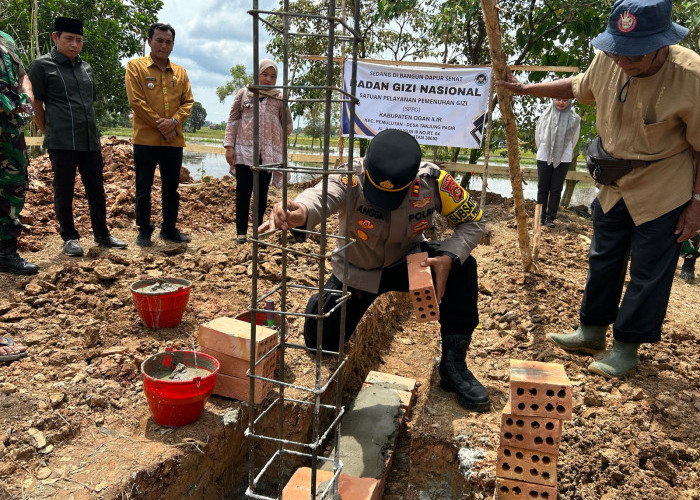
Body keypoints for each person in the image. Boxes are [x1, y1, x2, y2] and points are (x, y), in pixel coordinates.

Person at [497, 0, 700, 378]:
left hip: (663, 187)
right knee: (603, 258)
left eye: (633, 55)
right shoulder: (611, 57)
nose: (622, 61)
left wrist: (697, 204)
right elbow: (577, 87)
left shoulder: (691, 76)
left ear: (660, 44)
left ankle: (626, 347)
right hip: (612, 182)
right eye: (616, 51)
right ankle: (591, 331)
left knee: (649, 270)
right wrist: (524, 88)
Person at [261, 129, 491, 411]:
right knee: (321, 343)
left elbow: (474, 221)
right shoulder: (351, 176)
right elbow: (321, 196)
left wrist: (449, 257)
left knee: (463, 266)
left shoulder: (435, 182)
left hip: (408, 263)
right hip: (358, 272)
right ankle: (320, 305)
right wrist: (301, 211)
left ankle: (454, 365)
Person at [28, 17, 127, 257]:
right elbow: (35, 104)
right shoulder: (42, 66)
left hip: (89, 140)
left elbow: (89, 104)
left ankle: (102, 234)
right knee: (64, 190)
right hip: (61, 142)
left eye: (79, 40)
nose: (75, 44)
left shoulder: (86, 68)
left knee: (97, 189)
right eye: (69, 39)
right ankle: (69, 237)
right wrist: (48, 131)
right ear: (55, 37)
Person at [125, 22, 194, 247]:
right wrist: (161, 124)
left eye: (168, 42)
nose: (164, 45)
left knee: (171, 188)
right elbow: (136, 102)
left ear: (173, 45)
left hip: (174, 140)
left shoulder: (181, 73)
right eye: (159, 40)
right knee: (143, 187)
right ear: (149, 42)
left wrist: (173, 121)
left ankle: (169, 229)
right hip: (145, 139)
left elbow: (188, 102)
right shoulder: (135, 67)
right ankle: (144, 230)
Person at [224, 59, 293, 243]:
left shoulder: (278, 97)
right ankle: (241, 233)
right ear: (257, 73)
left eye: (273, 76)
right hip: (244, 153)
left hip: (268, 155)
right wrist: (229, 146)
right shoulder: (245, 94)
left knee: (261, 194)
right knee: (243, 192)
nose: (269, 79)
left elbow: (287, 125)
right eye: (265, 74)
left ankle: (257, 230)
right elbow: (232, 121)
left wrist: (275, 139)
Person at [0, 29, 33, 362]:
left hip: (10, 129)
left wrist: (26, 101)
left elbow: (22, 74)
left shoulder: (7, 39)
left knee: (13, 190)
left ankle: (6, 251)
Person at [535, 98, 581, 226]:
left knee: (556, 189)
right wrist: (548, 150)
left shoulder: (575, 119)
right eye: (558, 99)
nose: (561, 103)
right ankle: (540, 217)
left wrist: (560, 151)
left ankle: (550, 218)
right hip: (544, 156)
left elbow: (574, 140)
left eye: (565, 100)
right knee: (542, 188)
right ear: (553, 100)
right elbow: (538, 138)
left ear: (569, 102)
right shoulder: (544, 116)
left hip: (564, 157)